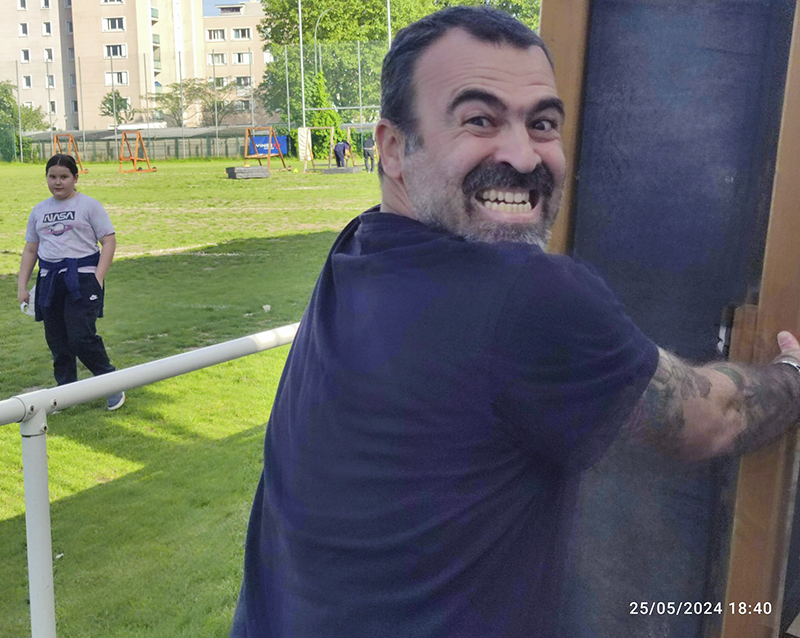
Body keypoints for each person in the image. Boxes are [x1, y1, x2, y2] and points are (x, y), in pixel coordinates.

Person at [231, 7, 800, 637]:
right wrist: (793, 372)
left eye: (543, 124)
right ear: (394, 149)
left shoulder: (359, 248)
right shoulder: (529, 296)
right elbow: (712, 419)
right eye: (480, 119)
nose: (524, 157)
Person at [17, 154, 125, 411]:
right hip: (50, 281)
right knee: (57, 340)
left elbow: (108, 241)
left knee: (80, 336)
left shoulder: (89, 206)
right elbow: (31, 249)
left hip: (83, 278)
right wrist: (22, 286)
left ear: (75, 178)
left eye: (64, 177)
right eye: (52, 177)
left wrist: (98, 276)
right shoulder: (39, 211)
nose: (58, 182)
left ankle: (111, 383)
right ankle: (65, 394)